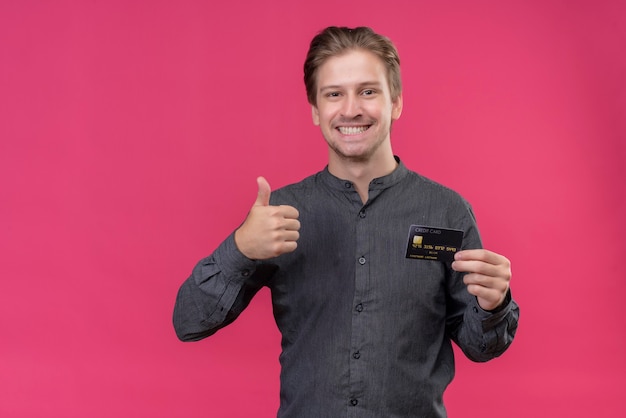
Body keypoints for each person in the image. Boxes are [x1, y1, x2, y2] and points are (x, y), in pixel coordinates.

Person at [173, 26, 519, 417]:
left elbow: (481, 347)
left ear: (397, 103)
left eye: (368, 91)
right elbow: (188, 322)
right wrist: (240, 250)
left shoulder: (446, 211)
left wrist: (493, 304)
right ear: (316, 111)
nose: (351, 108)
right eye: (334, 93)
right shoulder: (280, 214)